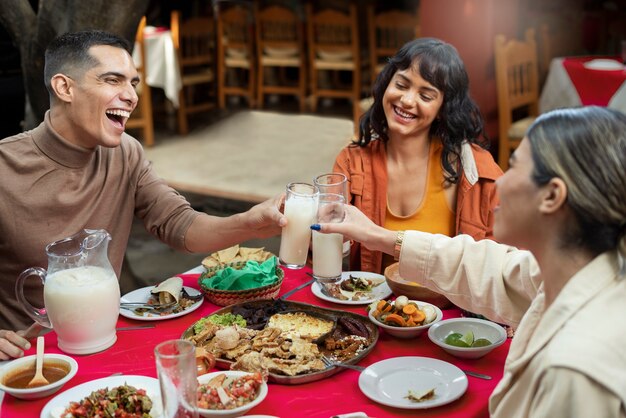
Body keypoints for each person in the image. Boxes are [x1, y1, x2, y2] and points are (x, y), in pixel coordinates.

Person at [314, 106, 626, 417]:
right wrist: (378, 236)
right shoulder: (586, 269)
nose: (500, 183)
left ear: (552, 196)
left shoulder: (574, 368)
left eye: (514, 166)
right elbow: (493, 269)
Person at [0, 30, 286, 359]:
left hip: (107, 345)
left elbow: (179, 224)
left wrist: (249, 223)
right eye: (113, 80)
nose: (132, 96)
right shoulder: (5, 167)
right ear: (65, 88)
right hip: (27, 363)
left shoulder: (124, 153)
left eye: (133, 83)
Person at [334, 37, 502, 274]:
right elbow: (326, 247)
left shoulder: (477, 171)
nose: (407, 100)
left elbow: (500, 263)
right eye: (401, 85)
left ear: (444, 109)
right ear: (386, 85)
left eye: (426, 96)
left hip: (452, 309)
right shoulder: (353, 161)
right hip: (372, 306)